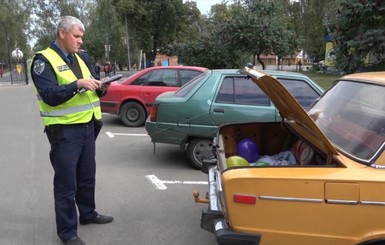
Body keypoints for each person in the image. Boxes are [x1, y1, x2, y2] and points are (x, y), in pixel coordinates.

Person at [30, 16, 113, 245]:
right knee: (66, 185)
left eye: (81, 37)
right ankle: (67, 233)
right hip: (64, 132)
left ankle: (88, 213)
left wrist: (101, 87)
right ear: (62, 33)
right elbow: (49, 95)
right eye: (76, 36)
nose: (80, 41)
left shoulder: (81, 57)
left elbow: (92, 89)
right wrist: (77, 85)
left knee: (87, 177)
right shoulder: (42, 61)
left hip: (88, 126)